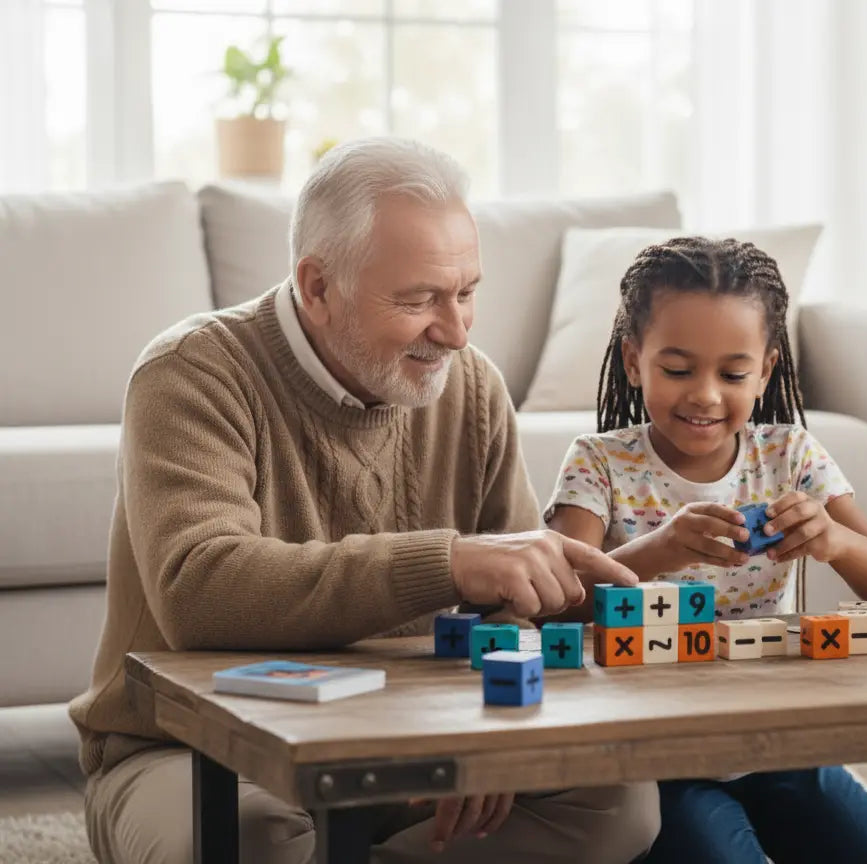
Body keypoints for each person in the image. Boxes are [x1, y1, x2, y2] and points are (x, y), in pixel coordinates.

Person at [68, 137, 659, 864]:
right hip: (194, 746)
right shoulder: (190, 374)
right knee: (249, 837)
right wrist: (446, 563)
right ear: (317, 286)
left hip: (410, 734)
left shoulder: (471, 388)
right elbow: (199, 590)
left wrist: (489, 733)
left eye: (467, 291)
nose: (455, 330)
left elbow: (515, 601)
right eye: (418, 300)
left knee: (617, 803)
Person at [544, 236, 867, 864]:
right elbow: (555, 605)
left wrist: (832, 540)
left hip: (772, 733)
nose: (705, 395)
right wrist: (655, 552)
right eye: (677, 369)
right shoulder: (599, 464)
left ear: (767, 369)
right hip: (657, 753)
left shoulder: (789, 454)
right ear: (635, 361)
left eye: (733, 373)